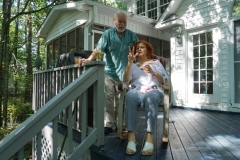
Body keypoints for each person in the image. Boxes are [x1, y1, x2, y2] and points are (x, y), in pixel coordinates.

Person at [79, 11, 166, 135]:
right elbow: (99, 50)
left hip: (125, 74)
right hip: (109, 72)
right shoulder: (107, 35)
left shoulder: (131, 35)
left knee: (123, 99)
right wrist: (88, 60)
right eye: (119, 21)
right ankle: (108, 124)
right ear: (114, 21)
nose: (122, 24)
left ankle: (122, 124)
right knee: (108, 99)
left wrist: (155, 57)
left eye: (124, 22)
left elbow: (140, 50)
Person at [123, 40, 169, 155]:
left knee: (151, 97)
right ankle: (131, 138)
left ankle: (150, 137)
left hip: (153, 89)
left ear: (148, 51)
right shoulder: (133, 65)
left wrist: (153, 72)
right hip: (137, 89)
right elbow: (125, 79)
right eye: (137, 47)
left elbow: (164, 80)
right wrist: (129, 62)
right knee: (130, 96)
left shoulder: (156, 63)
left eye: (142, 47)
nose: (139, 49)